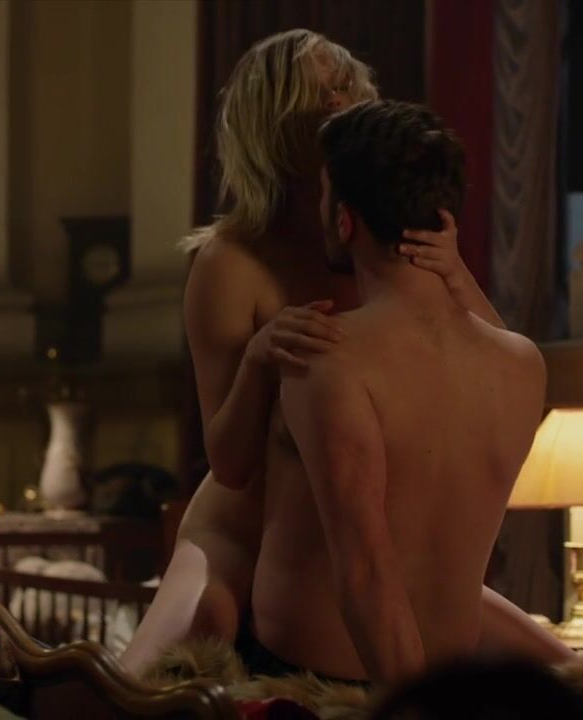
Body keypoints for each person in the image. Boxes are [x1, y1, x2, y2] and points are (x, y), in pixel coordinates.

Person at [119, 29, 572, 677]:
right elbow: (229, 463)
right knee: (169, 662)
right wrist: (258, 361)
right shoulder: (232, 262)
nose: (340, 101)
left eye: (346, 86)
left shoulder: (392, 241)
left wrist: (453, 271)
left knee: (570, 668)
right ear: (273, 125)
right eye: (319, 94)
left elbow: (492, 369)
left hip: (348, 530)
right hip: (241, 526)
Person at [233, 100, 551, 684]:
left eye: (324, 195)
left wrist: (412, 708)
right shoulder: (522, 364)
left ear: (345, 220)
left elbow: (366, 571)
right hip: (450, 678)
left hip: (320, 682)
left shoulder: (327, 356)